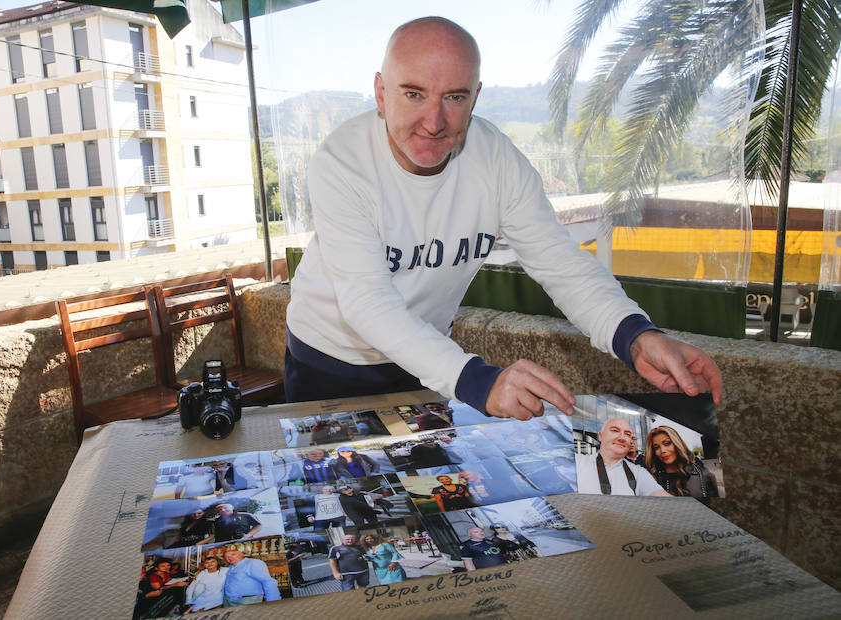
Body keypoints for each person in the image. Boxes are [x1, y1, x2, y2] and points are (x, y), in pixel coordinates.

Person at [283, 16, 722, 420]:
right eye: (414, 94)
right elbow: (367, 302)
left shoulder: (497, 161)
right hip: (328, 360)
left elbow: (560, 263)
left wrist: (636, 336)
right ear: (381, 92)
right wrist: (477, 380)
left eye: (454, 97)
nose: (434, 121)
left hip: (427, 359)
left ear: (475, 97)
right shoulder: (341, 162)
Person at [575, 418, 670, 496]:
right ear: (601, 436)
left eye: (627, 434)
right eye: (615, 431)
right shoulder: (576, 462)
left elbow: (664, 500)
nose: (621, 438)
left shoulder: (639, 473)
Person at [645, 425, 719, 499]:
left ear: (677, 443)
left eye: (667, 443)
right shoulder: (651, 477)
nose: (662, 450)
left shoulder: (703, 475)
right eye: (656, 447)